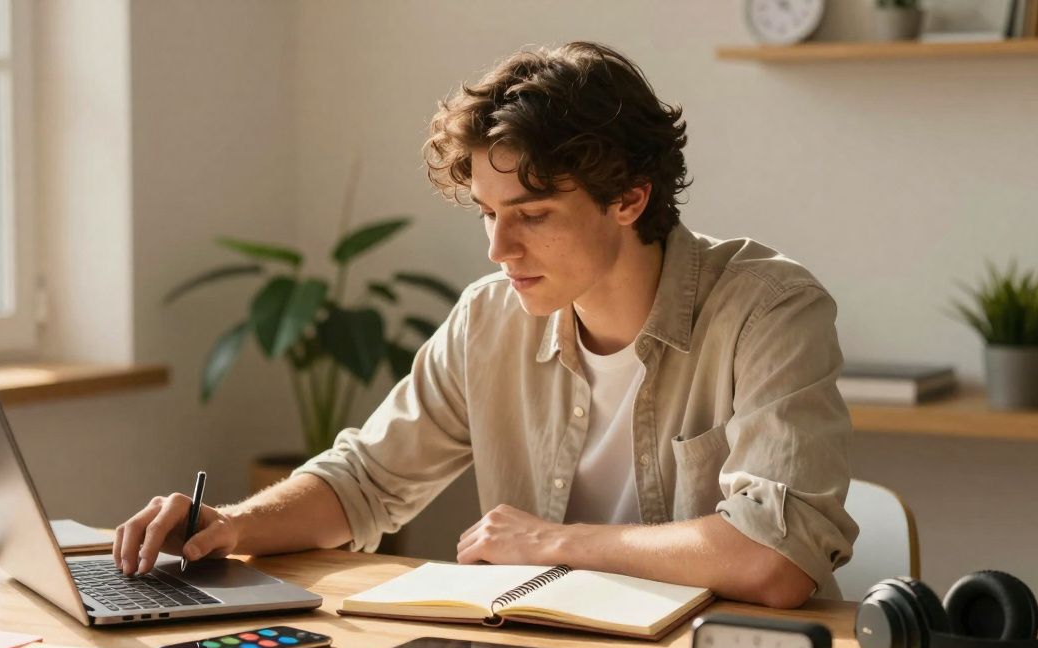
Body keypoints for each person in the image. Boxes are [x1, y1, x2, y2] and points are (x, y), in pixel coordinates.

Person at [114, 41, 859, 608]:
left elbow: (775, 559)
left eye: (532, 215)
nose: (500, 250)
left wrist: (555, 545)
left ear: (629, 199)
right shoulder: (491, 316)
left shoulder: (769, 309)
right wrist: (229, 524)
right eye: (489, 215)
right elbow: (366, 480)